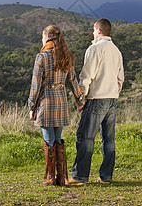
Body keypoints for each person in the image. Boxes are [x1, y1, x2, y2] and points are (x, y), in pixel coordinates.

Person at [68, 18, 124, 185]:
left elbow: (87, 76)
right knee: (109, 139)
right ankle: (106, 176)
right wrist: (114, 92)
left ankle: (79, 176)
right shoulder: (117, 51)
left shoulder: (94, 48)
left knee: (85, 137)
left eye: (93, 30)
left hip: (96, 99)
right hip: (112, 99)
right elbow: (120, 78)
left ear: (98, 30)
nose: (93, 33)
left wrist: (81, 97)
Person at [28, 25, 85, 186]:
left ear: (47, 38)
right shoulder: (66, 56)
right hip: (61, 102)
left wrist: (31, 106)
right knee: (58, 139)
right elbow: (73, 81)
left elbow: (35, 85)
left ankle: (51, 178)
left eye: (42, 37)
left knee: (49, 140)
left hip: (46, 102)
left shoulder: (42, 57)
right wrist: (80, 100)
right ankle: (61, 177)